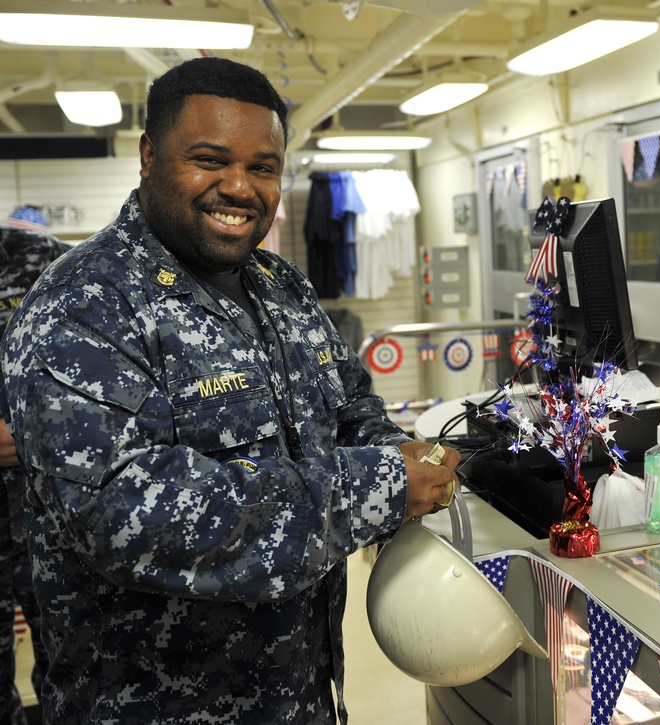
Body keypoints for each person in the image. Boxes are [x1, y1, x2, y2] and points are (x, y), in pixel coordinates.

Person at [0, 57, 460, 724]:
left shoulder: (282, 288)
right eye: (210, 160)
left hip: (300, 694)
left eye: (263, 167)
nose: (240, 186)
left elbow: (353, 411)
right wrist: (379, 487)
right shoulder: (84, 303)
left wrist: (416, 457)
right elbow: (126, 514)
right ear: (149, 156)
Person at [0, 206, 68, 724]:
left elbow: (113, 378)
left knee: (68, 672)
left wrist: (34, 429)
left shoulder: (48, 263)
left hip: (51, 516)